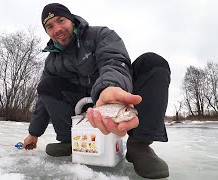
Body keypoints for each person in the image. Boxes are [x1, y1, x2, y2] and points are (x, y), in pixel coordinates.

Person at [23, 3, 171, 179]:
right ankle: (69, 141)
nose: (57, 29)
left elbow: (113, 60)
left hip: (112, 95)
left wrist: (109, 87)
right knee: (46, 85)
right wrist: (34, 133)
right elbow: (42, 100)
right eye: (50, 26)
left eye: (61, 20)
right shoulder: (51, 62)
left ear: (71, 19)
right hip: (82, 107)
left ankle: (139, 144)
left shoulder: (100, 35)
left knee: (152, 63)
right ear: (47, 32)